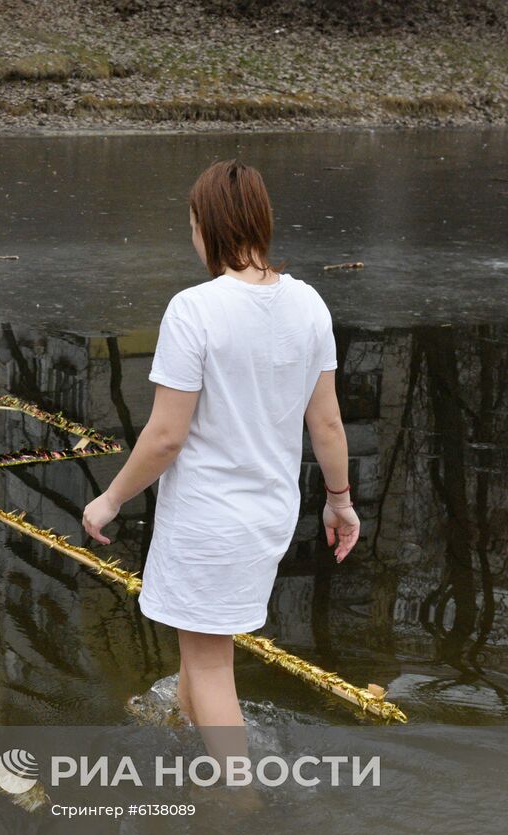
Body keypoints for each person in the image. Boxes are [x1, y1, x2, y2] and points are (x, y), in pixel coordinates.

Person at [82, 158, 360, 729]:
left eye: (192, 224)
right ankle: (188, 736)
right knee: (202, 648)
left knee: (210, 666)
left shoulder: (195, 310)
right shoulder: (309, 304)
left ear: (206, 227)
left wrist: (109, 500)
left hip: (209, 520)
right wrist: (339, 501)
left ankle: (236, 802)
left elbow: (165, 437)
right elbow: (328, 424)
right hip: (269, 515)